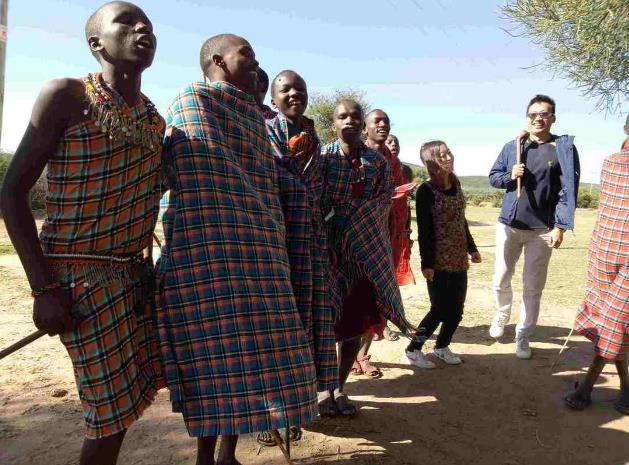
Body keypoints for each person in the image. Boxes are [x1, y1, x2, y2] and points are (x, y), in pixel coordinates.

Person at [0, 3, 164, 464]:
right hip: (78, 284)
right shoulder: (67, 96)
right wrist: (44, 289)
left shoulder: (154, 121)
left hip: (134, 282)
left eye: (147, 24)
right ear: (96, 44)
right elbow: (11, 195)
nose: (141, 28)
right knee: (108, 415)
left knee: (124, 407)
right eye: (126, 23)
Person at [156, 34, 317, 465]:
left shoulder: (255, 119)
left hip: (261, 257)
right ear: (217, 60)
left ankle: (228, 455)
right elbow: (187, 168)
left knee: (249, 362)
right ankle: (205, 459)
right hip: (208, 257)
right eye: (246, 53)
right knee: (214, 362)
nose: (255, 61)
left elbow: (270, 180)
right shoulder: (193, 102)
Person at [258, 69, 338, 445]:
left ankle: (295, 410)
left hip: (309, 244)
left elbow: (317, 189)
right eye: (285, 89)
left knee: (305, 328)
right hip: (276, 240)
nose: (294, 94)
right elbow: (269, 176)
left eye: (300, 89)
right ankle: (266, 417)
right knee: (275, 328)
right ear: (273, 99)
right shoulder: (266, 130)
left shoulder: (313, 139)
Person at [322, 99, 410, 416]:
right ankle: (318, 394)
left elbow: (383, 203)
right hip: (327, 260)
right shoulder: (321, 160)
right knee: (318, 331)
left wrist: (355, 218)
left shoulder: (377, 163)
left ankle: (338, 389)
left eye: (355, 116)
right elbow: (313, 204)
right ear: (333, 124)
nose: (349, 121)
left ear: (362, 124)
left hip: (365, 259)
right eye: (342, 116)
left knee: (353, 332)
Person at [488, 94, 580, 359]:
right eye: (533, 114)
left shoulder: (563, 149)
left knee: (533, 286)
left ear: (553, 117)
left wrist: (560, 226)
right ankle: (502, 313)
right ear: (527, 117)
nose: (538, 118)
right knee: (501, 277)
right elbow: (493, 178)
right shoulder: (514, 145)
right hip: (509, 224)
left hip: (542, 229)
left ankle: (523, 334)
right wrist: (510, 175)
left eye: (544, 114)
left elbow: (568, 190)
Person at [404, 141, 481, 368]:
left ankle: (441, 347)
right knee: (438, 310)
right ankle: (413, 349)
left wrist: (472, 248)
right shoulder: (426, 191)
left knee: (456, 310)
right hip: (437, 262)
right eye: (441, 155)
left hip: (458, 259)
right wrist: (427, 264)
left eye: (448, 153)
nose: (448, 157)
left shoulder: (455, 183)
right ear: (430, 161)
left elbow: (461, 220)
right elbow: (424, 231)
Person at [562, 150, 628, 414]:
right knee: (608, 321)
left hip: (613, 255)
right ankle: (623, 389)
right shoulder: (612, 163)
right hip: (604, 250)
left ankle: (589, 385)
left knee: (615, 320)